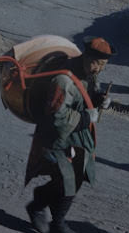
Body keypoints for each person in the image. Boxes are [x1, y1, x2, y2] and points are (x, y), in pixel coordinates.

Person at [25, 37, 115, 233]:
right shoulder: (63, 80)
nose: (99, 69)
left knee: (78, 176)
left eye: (103, 65)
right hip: (56, 137)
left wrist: (98, 100)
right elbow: (57, 117)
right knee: (68, 178)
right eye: (97, 63)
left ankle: (40, 204)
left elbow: (85, 97)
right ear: (86, 56)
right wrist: (86, 117)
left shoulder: (89, 74)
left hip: (77, 137)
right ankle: (55, 221)